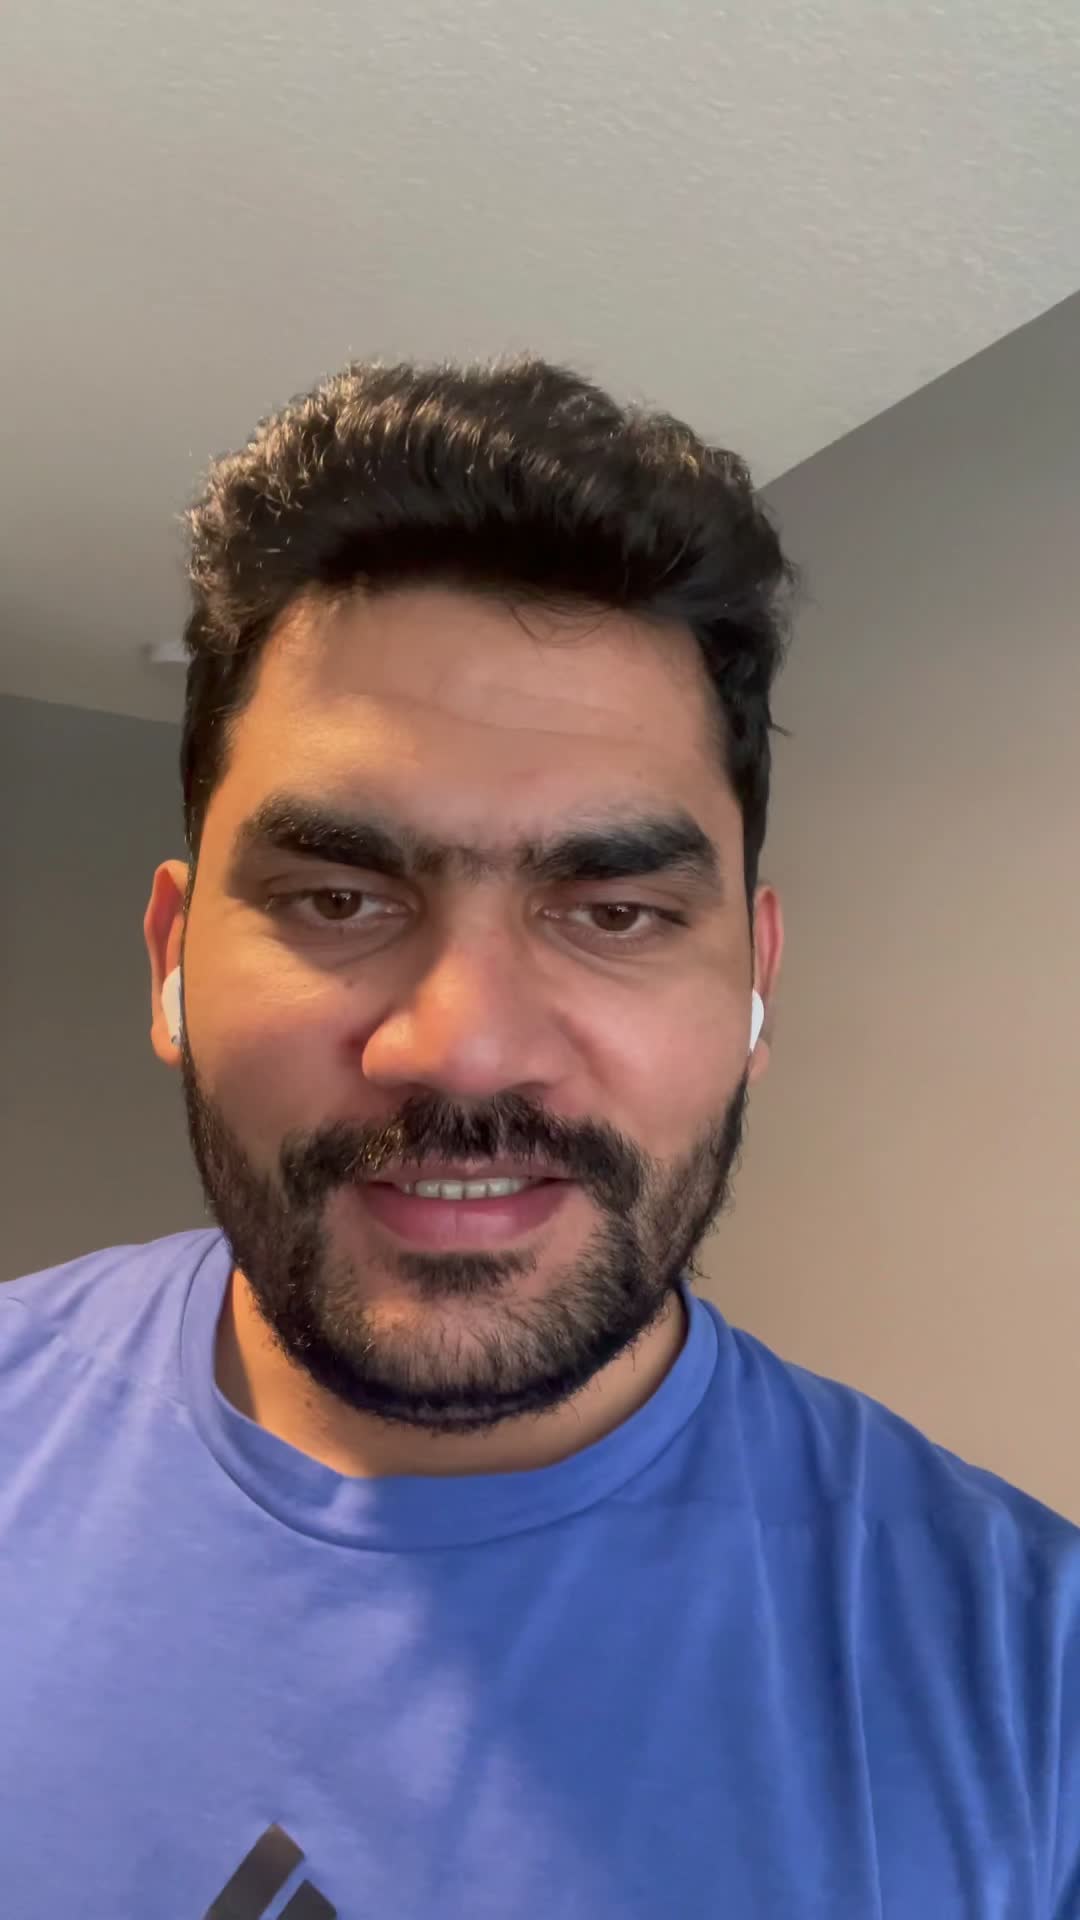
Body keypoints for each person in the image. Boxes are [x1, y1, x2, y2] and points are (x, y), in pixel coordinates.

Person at [1, 354, 1077, 1920]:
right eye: (338, 897)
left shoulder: (1034, 1692)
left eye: (615, 912)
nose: (466, 1045)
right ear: (170, 959)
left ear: (757, 986)